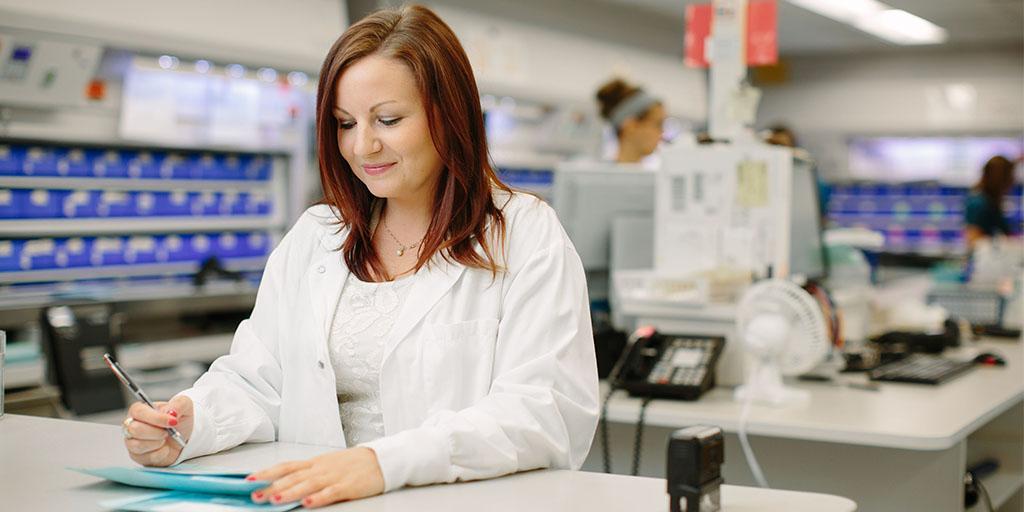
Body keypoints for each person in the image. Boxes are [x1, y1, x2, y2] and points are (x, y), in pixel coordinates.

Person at [118, 5, 599, 509]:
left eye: (388, 119)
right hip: (317, 500)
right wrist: (191, 420)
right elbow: (257, 379)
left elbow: (543, 413)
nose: (362, 145)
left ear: (449, 113)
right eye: (345, 123)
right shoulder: (316, 236)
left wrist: (382, 465)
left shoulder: (522, 234)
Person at [595, 78, 666, 164]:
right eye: (658, 124)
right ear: (631, 126)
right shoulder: (595, 175)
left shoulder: (652, 176)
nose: (662, 132)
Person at [964, 155, 1017, 250]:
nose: (1013, 181)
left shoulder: (988, 201)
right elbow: (974, 240)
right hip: (986, 262)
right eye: (1010, 176)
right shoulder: (979, 204)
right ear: (1000, 179)